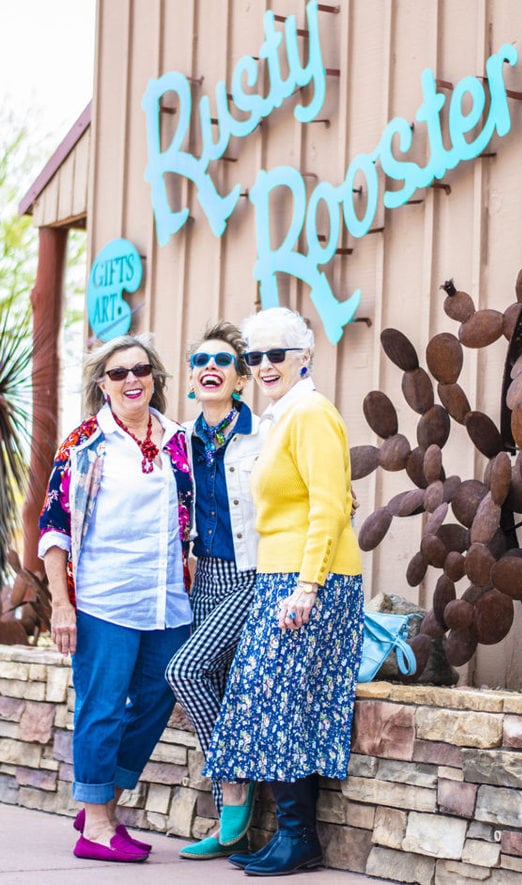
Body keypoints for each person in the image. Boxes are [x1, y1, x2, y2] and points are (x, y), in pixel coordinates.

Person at [202, 306, 364, 877]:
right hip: (280, 578)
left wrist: (307, 585)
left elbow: (328, 504)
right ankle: (291, 837)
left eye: (277, 354)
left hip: (309, 581)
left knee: (283, 703)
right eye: (256, 356)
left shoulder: (311, 413)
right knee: (269, 703)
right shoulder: (280, 417)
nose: (265, 365)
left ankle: (300, 839)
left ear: (304, 357)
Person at [38, 334, 193, 864]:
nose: (132, 379)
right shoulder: (85, 443)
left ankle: (99, 799)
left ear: (155, 378)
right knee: (101, 707)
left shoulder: (177, 439)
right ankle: (98, 827)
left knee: (162, 692)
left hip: (168, 599)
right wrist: (62, 602)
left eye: (141, 370)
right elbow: (54, 529)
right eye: (119, 372)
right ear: (102, 384)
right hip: (104, 599)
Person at [165, 321, 268, 861]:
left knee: (184, 670)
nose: (210, 367)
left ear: (241, 377)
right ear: (191, 376)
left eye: (223, 360)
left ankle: (233, 789)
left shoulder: (265, 432)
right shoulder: (178, 440)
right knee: (220, 689)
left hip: (252, 575)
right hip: (204, 576)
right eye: (201, 360)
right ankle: (232, 827)